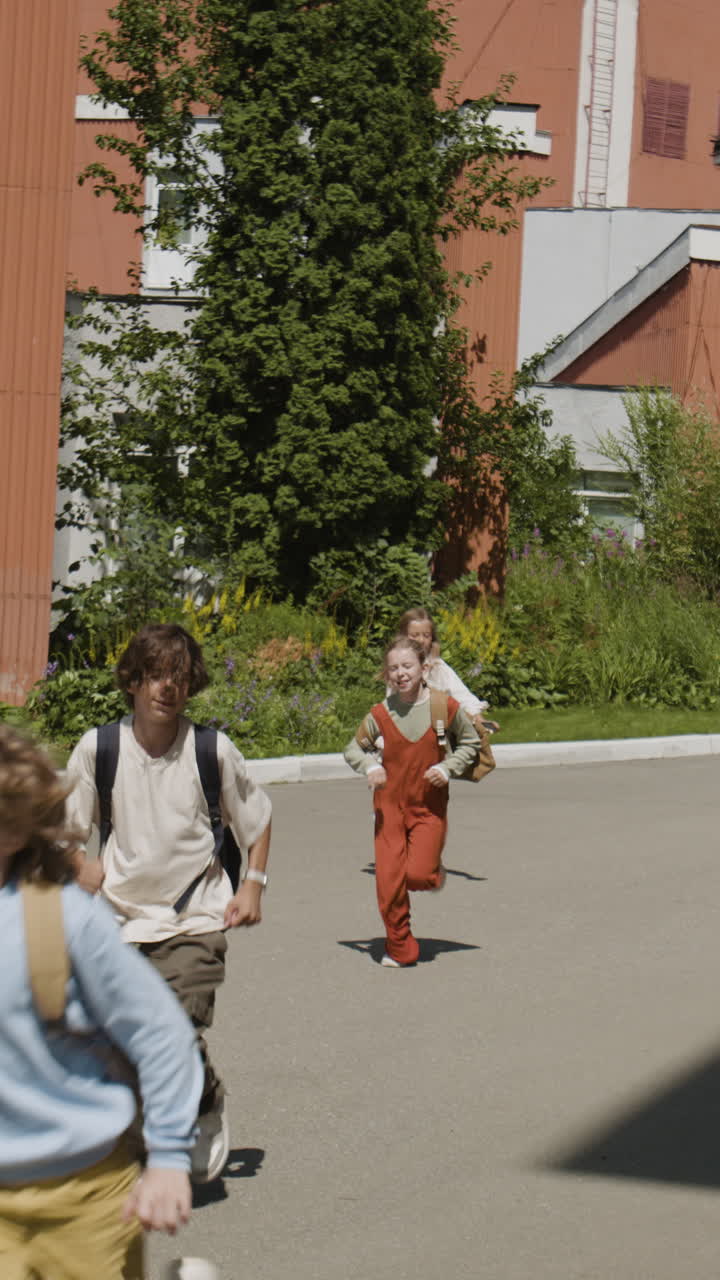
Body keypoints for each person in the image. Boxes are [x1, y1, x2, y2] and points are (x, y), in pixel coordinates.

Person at [65, 623, 273, 1184]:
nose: (167, 687)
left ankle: (203, 1101)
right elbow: (65, 833)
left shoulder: (211, 751)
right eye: (155, 675)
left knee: (174, 1029)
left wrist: (252, 883)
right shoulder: (100, 748)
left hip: (195, 918)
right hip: (118, 922)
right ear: (133, 681)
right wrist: (78, 865)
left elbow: (257, 820)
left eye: (179, 677)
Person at [0, 722, 204, 1280]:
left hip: (85, 1198)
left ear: (13, 828)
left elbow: (160, 1033)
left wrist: (168, 1158)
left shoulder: (63, 919)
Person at [344, 634, 480, 968]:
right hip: (389, 809)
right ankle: (400, 947)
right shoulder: (380, 714)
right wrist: (370, 766)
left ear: (423, 668)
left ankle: (432, 873)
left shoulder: (443, 707)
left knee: (418, 876)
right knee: (389, 882)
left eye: (407, 666)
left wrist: (447, 768)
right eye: (393, 668)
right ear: (386, 674)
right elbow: (353, 749)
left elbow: (470, 742)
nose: (400, 673)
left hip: (428, 807)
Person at [396, 607, 500, 730]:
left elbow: (459, 693)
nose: (421, 640)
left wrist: (478, 718)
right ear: (403, 637)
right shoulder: (397, 665)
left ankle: (478, 725)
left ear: (432, 638)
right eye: (415, 635)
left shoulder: (437, 665)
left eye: (426, 635)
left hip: (437, 723)